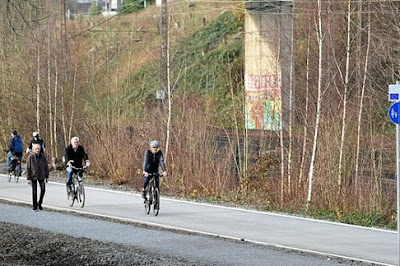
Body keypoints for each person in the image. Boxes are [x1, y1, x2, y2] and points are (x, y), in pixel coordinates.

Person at [26, 143, 49, 211]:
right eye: (36, 149)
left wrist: (47, 176)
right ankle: (34, 206)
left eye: (38, 149)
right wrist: (28, 178)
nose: (37, 150)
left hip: (41, 175)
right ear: (33, 150)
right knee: (34, 191)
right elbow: (28, 168)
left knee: (43, 189)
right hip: (33, 176)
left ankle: (40, 203)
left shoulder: (43, 157)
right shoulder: (31, 157)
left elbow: (46, 167)